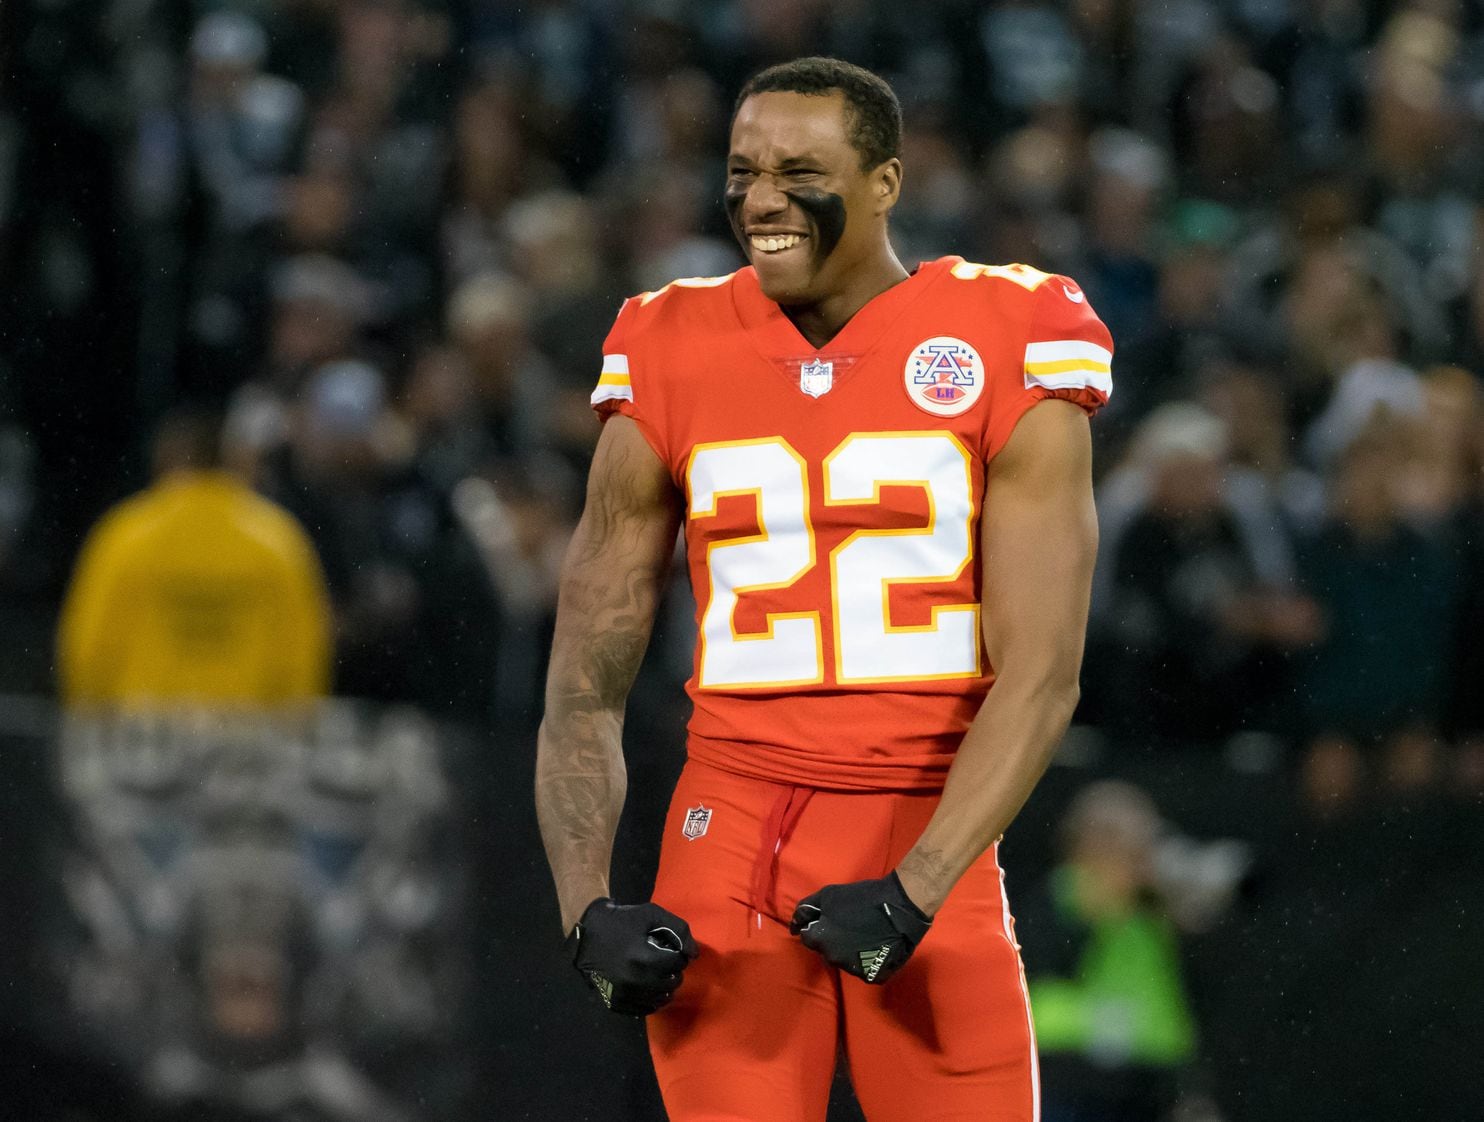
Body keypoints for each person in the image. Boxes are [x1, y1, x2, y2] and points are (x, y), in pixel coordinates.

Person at [536, 57, 1111, 1120]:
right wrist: (584, 909)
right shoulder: (667, 341)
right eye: (741, 169)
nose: (758, 198)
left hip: (924, 824)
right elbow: (581, 683)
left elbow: (1042, 674)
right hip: (727, 832)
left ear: (885, 181)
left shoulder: (1006, 332)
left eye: (797, 169)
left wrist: (919, 885)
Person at [58, 406, 331, 708]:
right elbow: (304, 653)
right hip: (248, 735)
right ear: (237, 462)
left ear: (164, 459)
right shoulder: (277, 538)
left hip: (143, 734)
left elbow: (88, 645)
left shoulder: (127, 533)